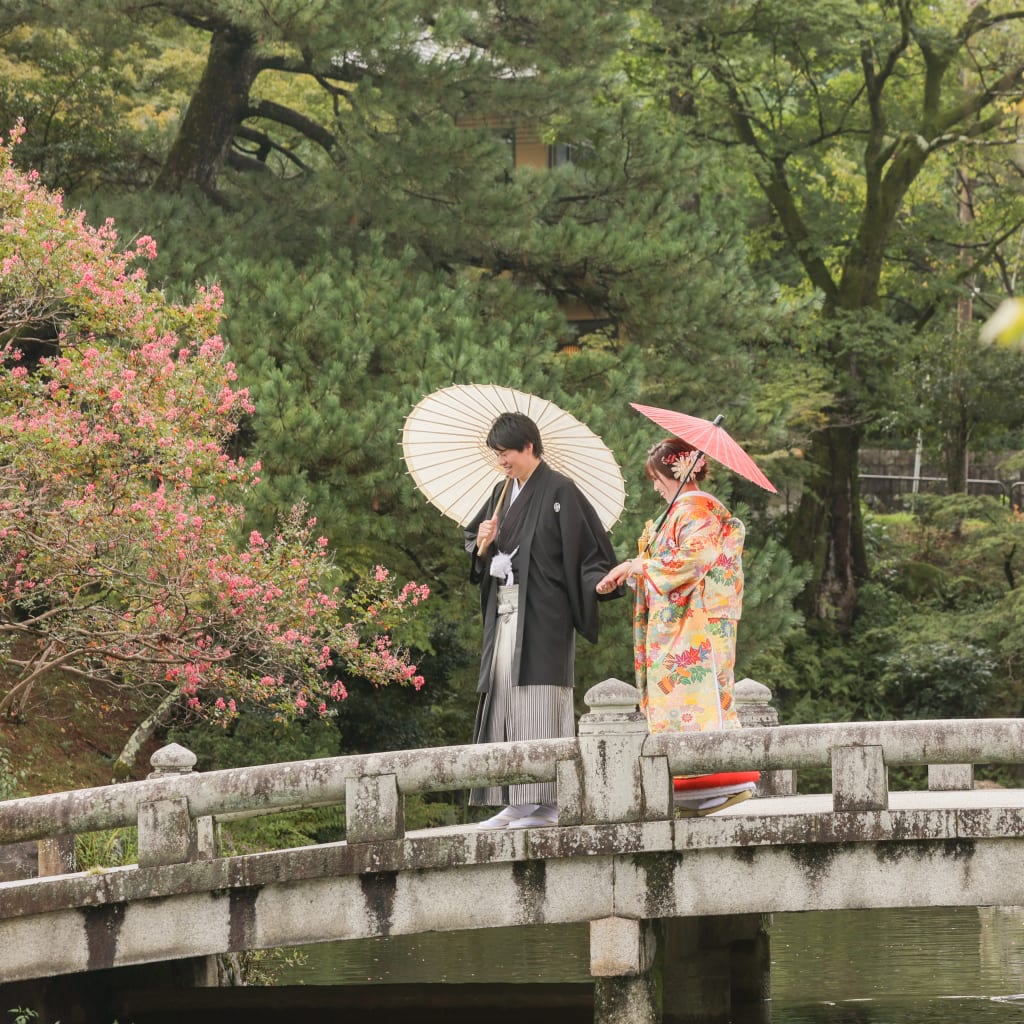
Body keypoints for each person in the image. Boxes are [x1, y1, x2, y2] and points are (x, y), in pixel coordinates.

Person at [465, 411, 621, 830]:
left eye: (507, 453)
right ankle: (515, 800)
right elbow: (474, 550)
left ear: (529, 447)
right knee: (504, 700)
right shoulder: (502, 492)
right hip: (505, 615)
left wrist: (599, 584)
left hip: (545, 616)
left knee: (539, 701)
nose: (502, 462)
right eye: (497, 454)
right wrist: (482, 545)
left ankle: (550, 801)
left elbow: (591, 553)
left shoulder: (561, 491)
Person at [596, 436, 758, 816]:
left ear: (676, 472)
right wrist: (627, 570)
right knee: (683, 700)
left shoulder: (695, 509)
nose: (654, 485)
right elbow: (664, 562)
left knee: (698, 700)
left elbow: (693, 559)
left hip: (695, 624)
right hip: (684, 621)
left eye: (656, 476)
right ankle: (694, 788)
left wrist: (638, 567)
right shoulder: (683, 511)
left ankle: (717, 781)